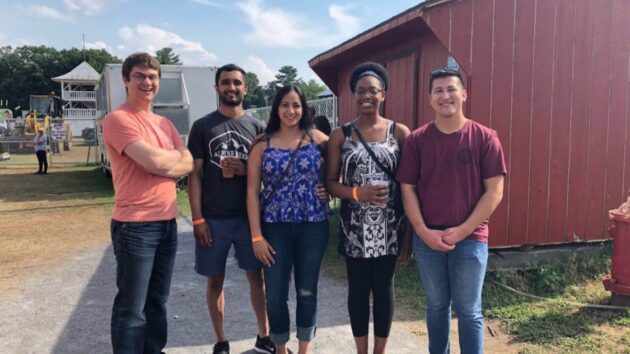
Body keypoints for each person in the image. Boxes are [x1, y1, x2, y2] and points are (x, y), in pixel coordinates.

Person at [397, 67, 506, 354]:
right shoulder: (417, 141)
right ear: (430, 99)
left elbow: (494, 191)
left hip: (470, 239)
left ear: (464, 94)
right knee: (436, 307)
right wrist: (422, 231)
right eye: (438, 91)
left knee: (469, 311)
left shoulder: (485, 137)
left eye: (451, 89)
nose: (445, 96)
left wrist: (461, 231)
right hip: (428, 238)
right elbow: (407, 188)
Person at [103, 52, 193, 353]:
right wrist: (168, 161)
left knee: (157, 302)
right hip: (135, 226)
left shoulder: (165, 124)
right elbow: (155, 160)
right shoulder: (118, 119)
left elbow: (188, 163)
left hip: (168, 222)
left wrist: (164, 163)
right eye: (140, 76)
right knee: (131, 308)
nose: (147, 82)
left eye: (152, 76)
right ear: (126, 80)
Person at [187, 64, 275, 354]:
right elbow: (195, 175)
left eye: (237, 83)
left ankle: (264, 335)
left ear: (245, 88)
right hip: (213, 218)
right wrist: (198, 218)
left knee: (256, 277)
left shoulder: (258, 128)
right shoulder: (202, 127)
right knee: (215, 279)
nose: (232, 87)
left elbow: (268, 176)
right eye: (226, 82)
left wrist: (243, 171)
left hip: (249, 218)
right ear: (217, 88)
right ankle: (221, 340)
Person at [326, 62, 411, 354]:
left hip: (390, 227)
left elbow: (411, 186)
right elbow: (331, 184)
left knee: (385, 290)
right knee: (358, 291)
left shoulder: (399, 133)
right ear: (353, 95)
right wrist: (357, 192)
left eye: (372, 91)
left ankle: (380, 352)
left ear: (383, 95)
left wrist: (409, 236)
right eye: (360, 91)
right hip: (355, 229)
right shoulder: (341, 135)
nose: (366, 96)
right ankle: (361, 351)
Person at [246, 85, 330, 354]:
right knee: (276, 293)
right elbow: (251, 192)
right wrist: (256, 236)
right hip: (275, 227)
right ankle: (280, 349)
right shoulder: (262, 144)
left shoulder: (320, 139)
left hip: (313, 225)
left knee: (307, 290)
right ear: (276, 108)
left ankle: (304, 349)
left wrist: (329, 188)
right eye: (285, 105)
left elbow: (339, 173)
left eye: (296, 105)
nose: (291, 111)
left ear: (304, 108)